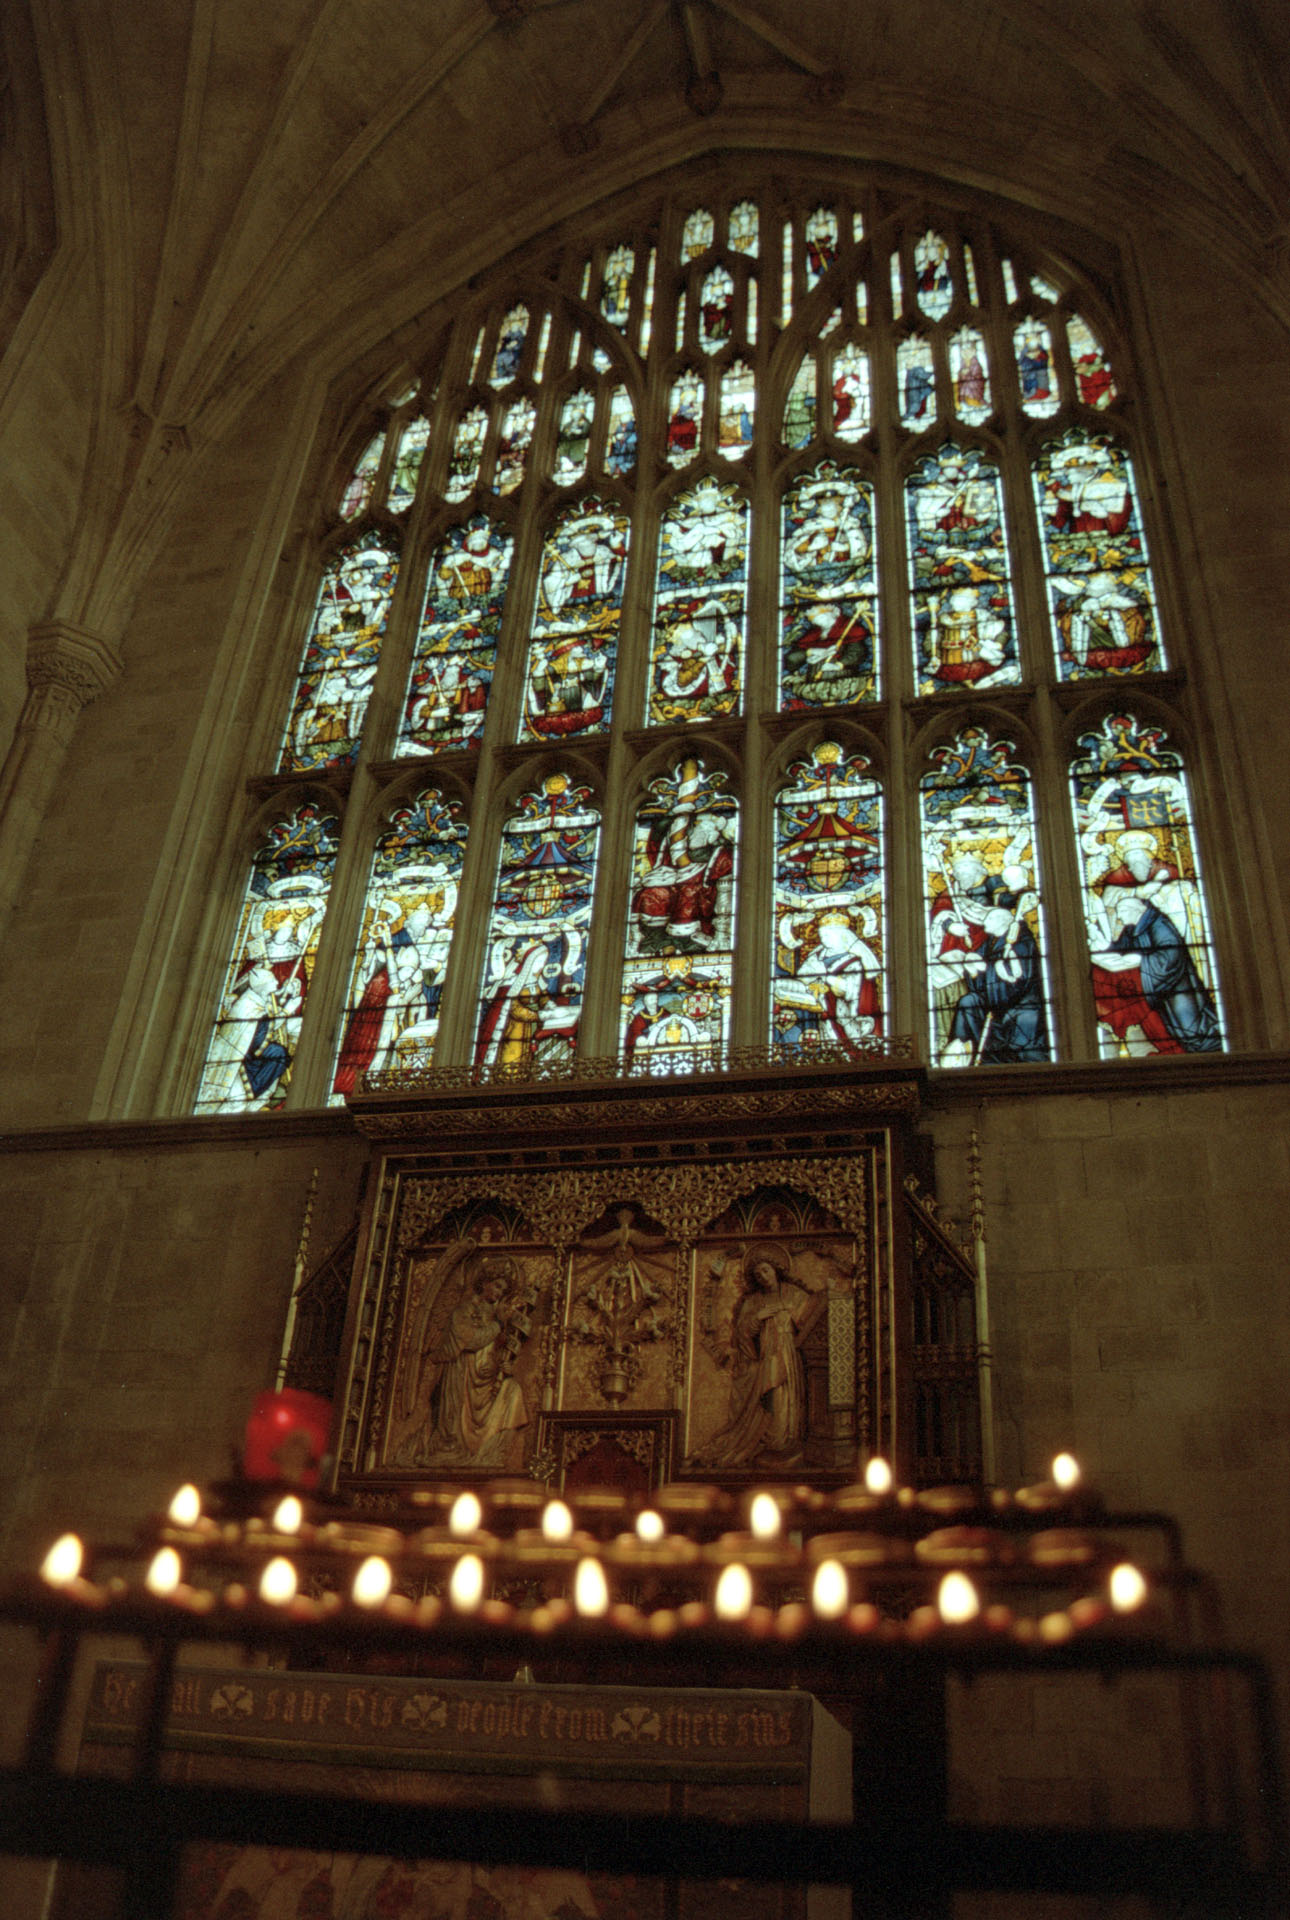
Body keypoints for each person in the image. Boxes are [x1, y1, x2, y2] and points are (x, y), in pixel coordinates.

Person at [399, 1248, 528, 1467]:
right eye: (496, 1285)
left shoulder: (498, 1317)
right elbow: (472, 1341)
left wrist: (504, 1364)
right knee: (452, 1431)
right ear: (485, 1282)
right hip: (462, 1377)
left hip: (487, 1381)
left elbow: (499, 1351)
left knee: (514, 1391)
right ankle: (451, 1448)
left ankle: (494, 1451)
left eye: (503, 1290)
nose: (498, 1293)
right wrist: (498, 1325)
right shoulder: (464, 1311)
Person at [701, 1243, 828, 1466]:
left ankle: (789, 1442)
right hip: (766, 1357)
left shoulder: (794, 1294)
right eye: (758, 1273)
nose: (762, 1276)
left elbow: (811, 1318)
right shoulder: (753, 1302)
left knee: (788, 1398)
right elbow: (742, 1336)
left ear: (776, 1269)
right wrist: (758, 1317)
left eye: (766, 1270)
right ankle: (772, 1443)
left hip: (790, 1356)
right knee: (773, 1398)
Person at [1091, 892, 1222, 1054]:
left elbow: (1171, 955)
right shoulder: (1132, 929)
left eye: (1122, 912)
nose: (1119, 918)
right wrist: (1103, 950)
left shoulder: (1160, 924)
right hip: (1158, 986)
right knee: (1169, 1026)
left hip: (1177, 986)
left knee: (1191, 1030)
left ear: (1135, 910)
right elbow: (1121, 948)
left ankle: (1210, 1053)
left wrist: (1141, 960)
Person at [941, 903, 1049, 1064]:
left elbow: (1019, 982)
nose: (985, 920)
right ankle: (962, 1053)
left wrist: (986, 968)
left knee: (1019, 1024)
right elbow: (978, 976)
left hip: (1021, 1001)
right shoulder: (991, 943)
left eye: (990, 917)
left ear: (1003, 922)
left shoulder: (1022, 942)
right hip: (995, 996)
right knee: (968, 1002)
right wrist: (973, 971)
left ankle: (1004, 1061)